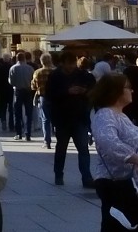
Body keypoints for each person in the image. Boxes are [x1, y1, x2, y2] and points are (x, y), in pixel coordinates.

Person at [90, 73, 138, 232]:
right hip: (118, 183)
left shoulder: (120, 115)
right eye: (128, 87)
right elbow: (108, 142)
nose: (132, 91)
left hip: (131, 183)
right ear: (116, 91)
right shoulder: (105, 115)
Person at [46, 51, 96, 188]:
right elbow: (50, 95)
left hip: (79, 116)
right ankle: (58, 174)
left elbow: (93, 87)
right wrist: (67, 92)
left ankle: (87, 177)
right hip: (62, 118)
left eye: (74, 63)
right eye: (69, 63)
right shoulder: (55, 76)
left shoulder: (82, 74)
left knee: (83, 149)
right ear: (62, 63)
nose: (72, 66)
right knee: (61, 148)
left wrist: (83, 91)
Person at [8, 52, 35, 141]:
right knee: (28, 113)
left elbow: (11, 82)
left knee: (17, 112)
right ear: (24, 58)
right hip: (28, 91)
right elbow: (33, 80)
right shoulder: (30, 68)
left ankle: (18, 133)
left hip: (18, 91)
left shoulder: (13, 68)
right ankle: (28, 134)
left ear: (17, 59)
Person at [32, 53, 55, 150]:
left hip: (43, 97)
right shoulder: (56, 71)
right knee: (56, 119)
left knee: (45, 119)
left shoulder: (38, 72)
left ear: (41, 62)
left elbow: (33, 86)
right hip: (55, 97)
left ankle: (47, 141)